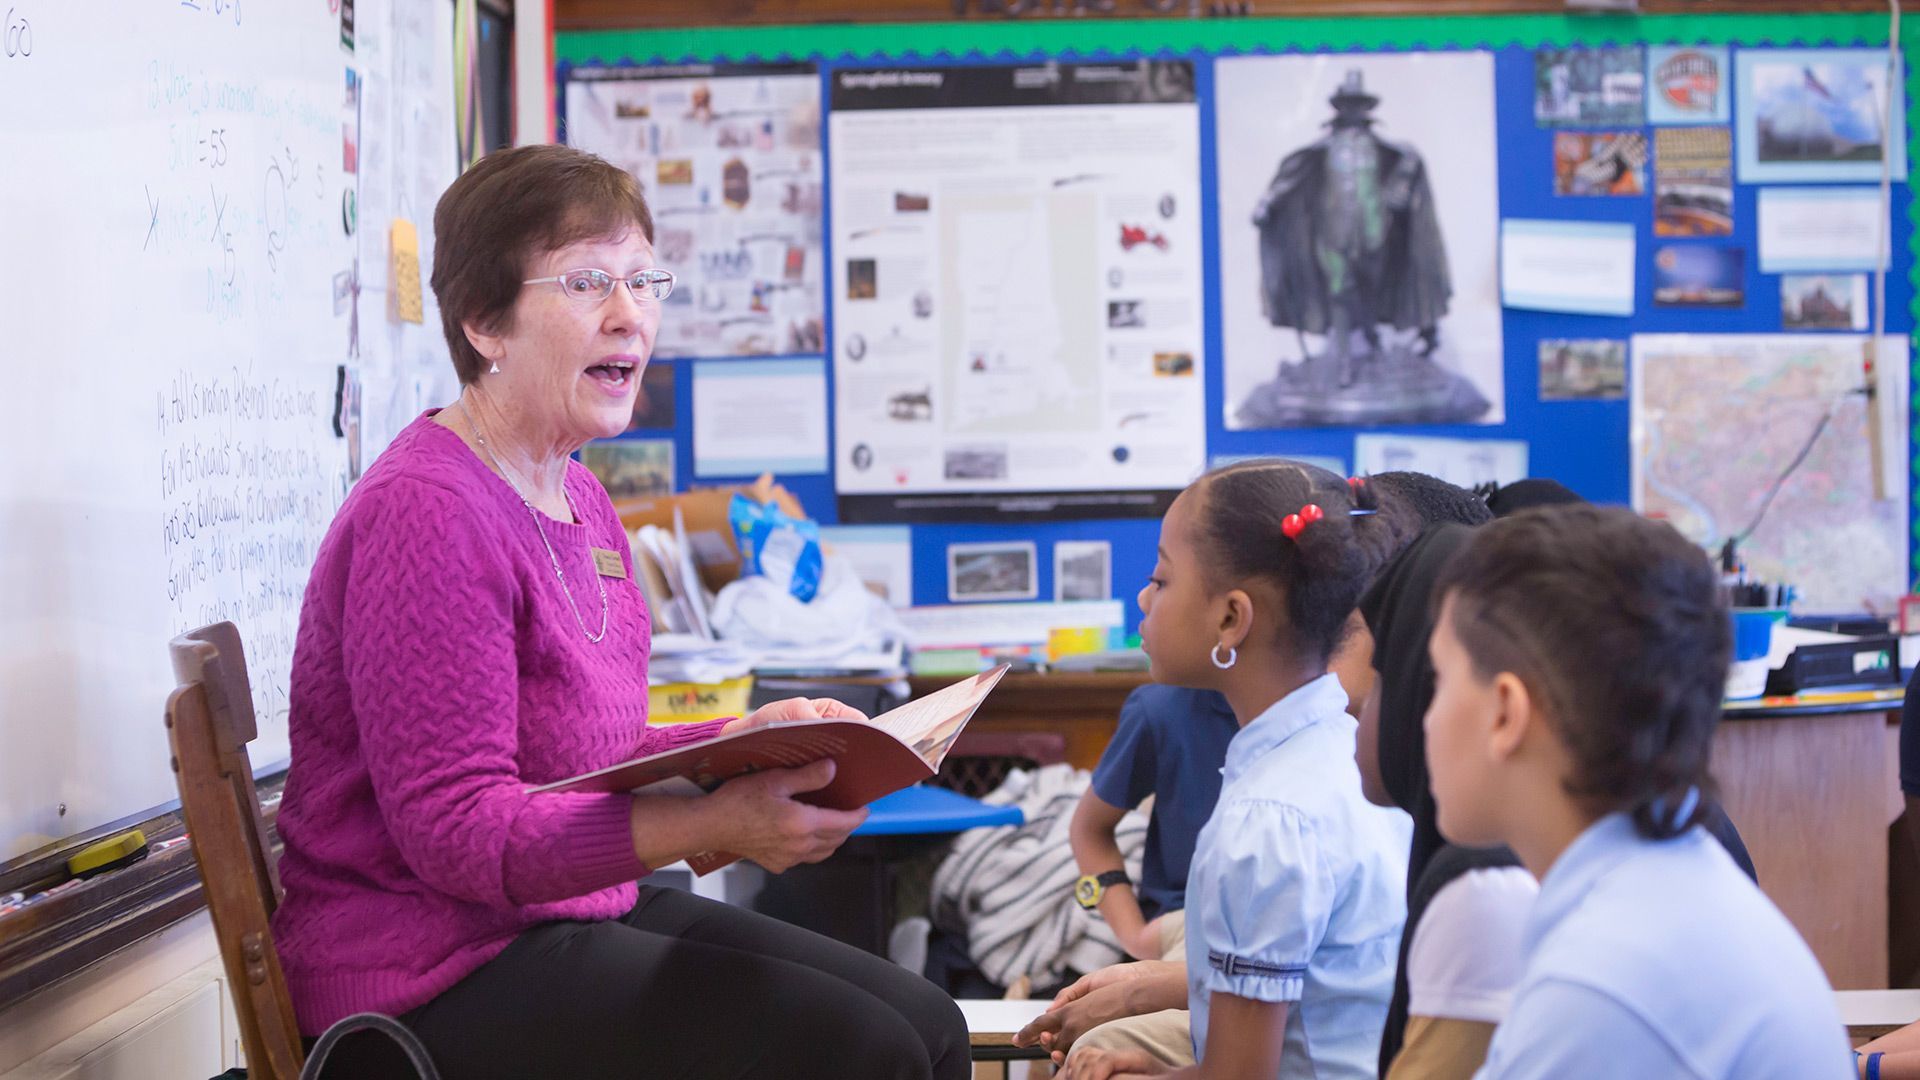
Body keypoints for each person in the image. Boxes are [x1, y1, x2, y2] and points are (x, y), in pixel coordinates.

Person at [271, 143, 967, 1079]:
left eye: (644, 280)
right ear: (486, 321)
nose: (630, 314)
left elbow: (583, 755)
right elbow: (460, 831)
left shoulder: (579, 497)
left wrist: (751, 739)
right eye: (589, 281)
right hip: (424, 976)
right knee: (869, 1053)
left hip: (551, 917)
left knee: (927, 1022)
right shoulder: (427, 512)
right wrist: (716, 823)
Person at [1425, 505, 1848, 1079]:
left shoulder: (1601, 990)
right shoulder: (1668, 891)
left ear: (1506, 712)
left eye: (1440, 678)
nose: (1424, 718)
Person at [1034, 462, 1413, 1080]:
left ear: (1231, 620)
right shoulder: (1346, 752)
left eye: (1161, 578)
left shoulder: (1263, 823)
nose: (1143, 598)